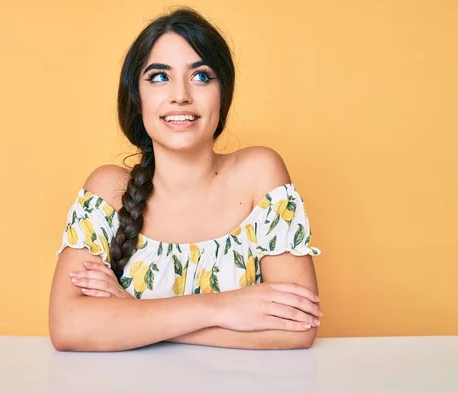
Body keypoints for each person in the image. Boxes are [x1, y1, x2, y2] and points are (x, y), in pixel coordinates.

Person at [48, 6, 322, 352]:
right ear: (138, 96)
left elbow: (297, 327)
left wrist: (131, 315)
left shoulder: (260, 172)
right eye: (160, 76)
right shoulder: (107, 191)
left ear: (223, 94)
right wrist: (223, 308)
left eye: (202, 76)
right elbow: (68, 327)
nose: (180, 95)